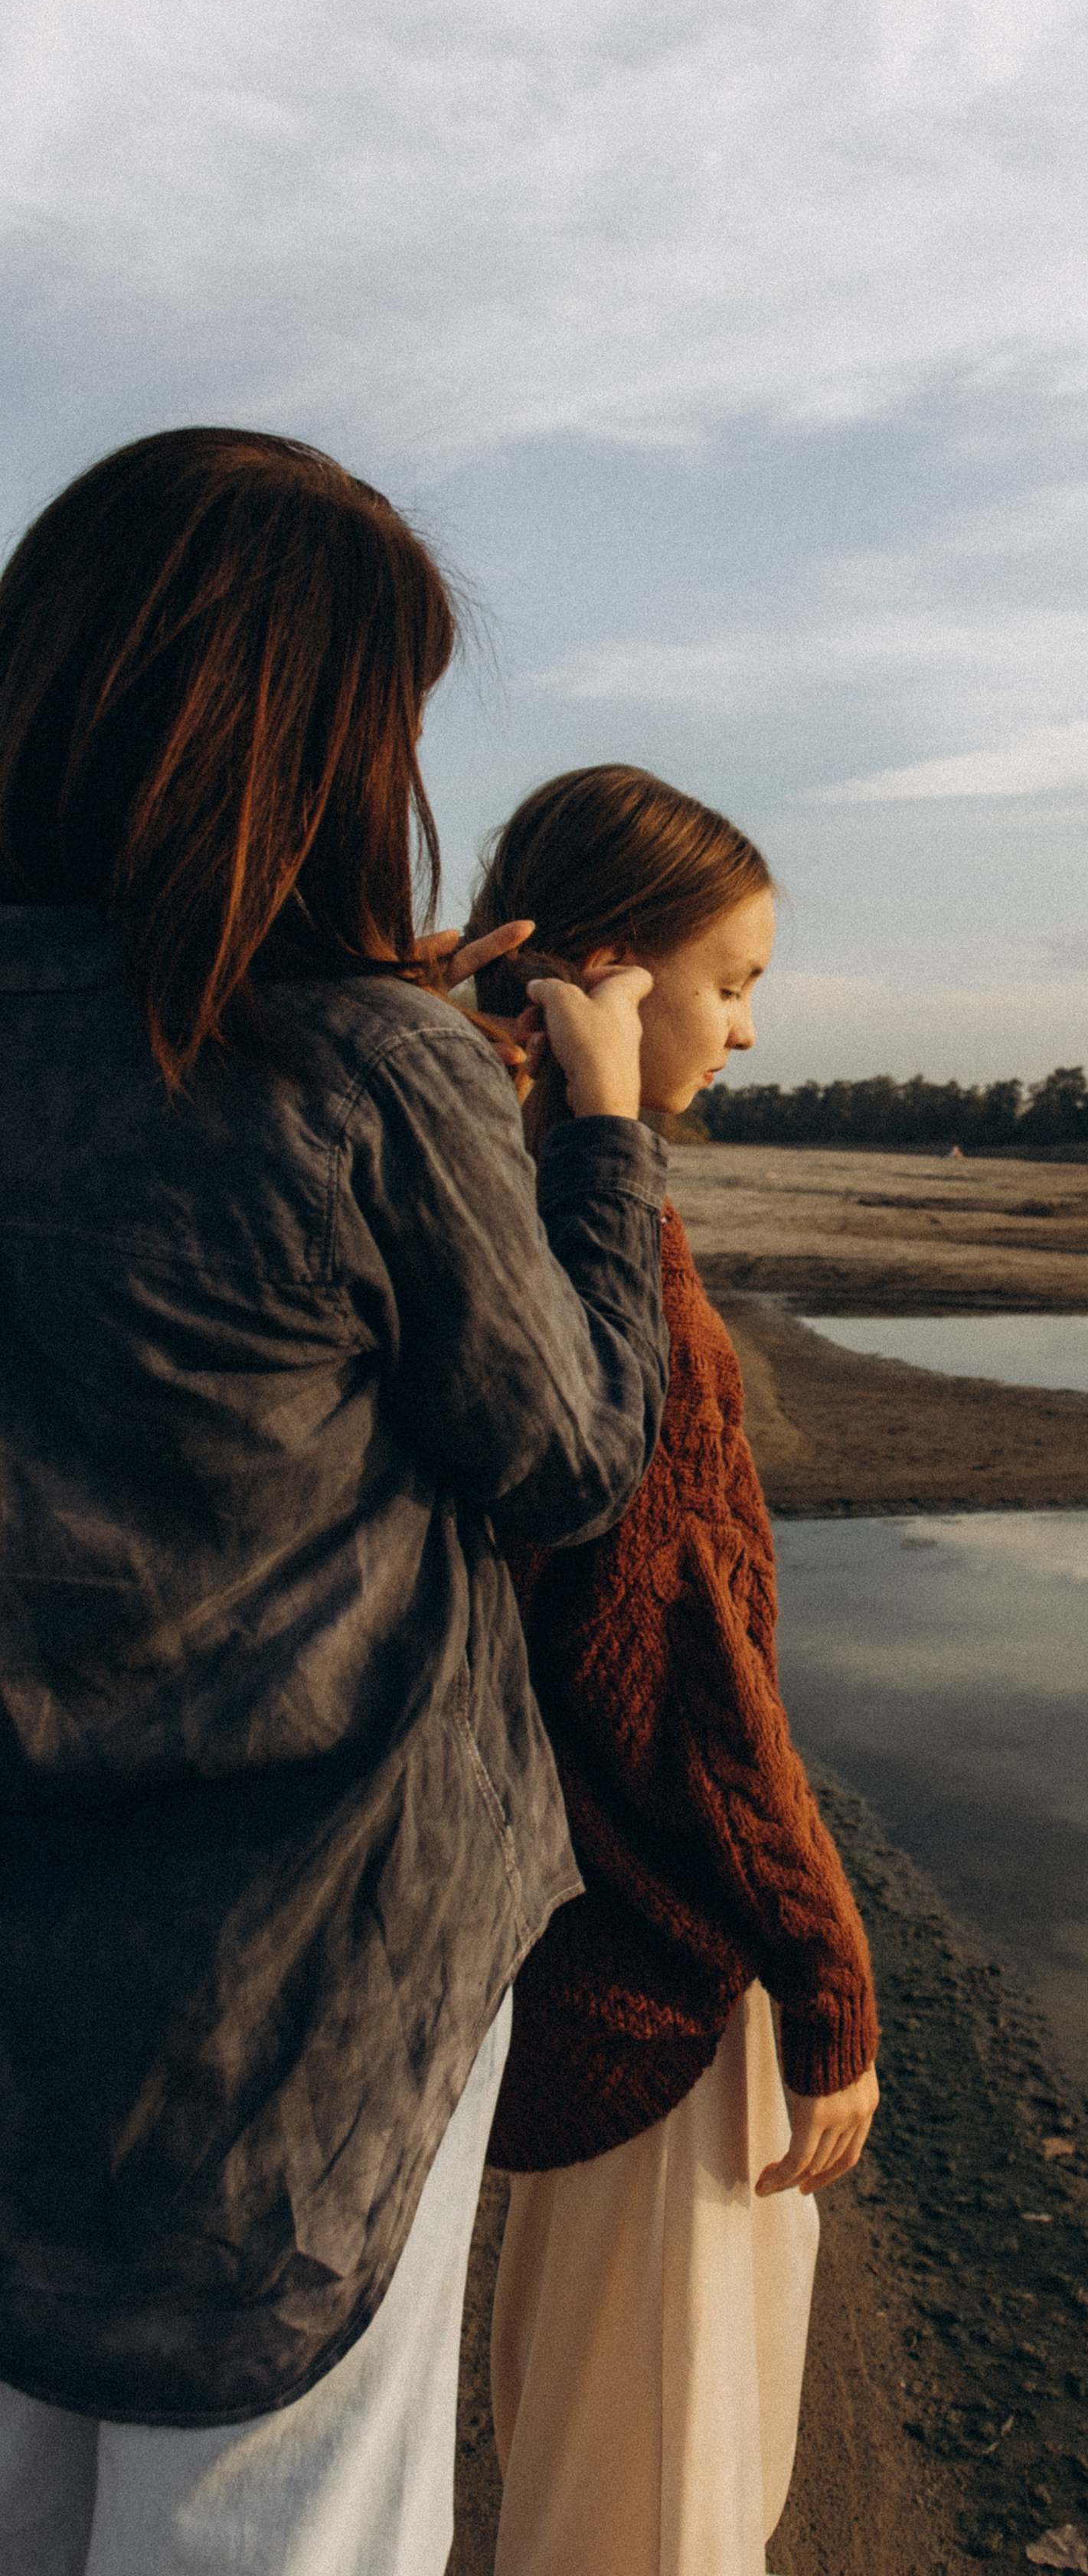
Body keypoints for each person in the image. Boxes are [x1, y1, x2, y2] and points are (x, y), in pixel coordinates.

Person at [0, 433, 670, 2576]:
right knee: (266, 2537)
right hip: (301, 2008)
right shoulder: (358, 1071)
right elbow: (567, 1457)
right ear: (310, 731)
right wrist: (594, 1130)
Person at [466, 764, 881, 2576]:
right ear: (619, 982)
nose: (752, 1026)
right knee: (659, 2501)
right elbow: (667, 1647)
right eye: (736, 981)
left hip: (558, 1934)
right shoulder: (582, 1211)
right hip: (655, 1956)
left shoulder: (466, 1170)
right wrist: (825, 1959)